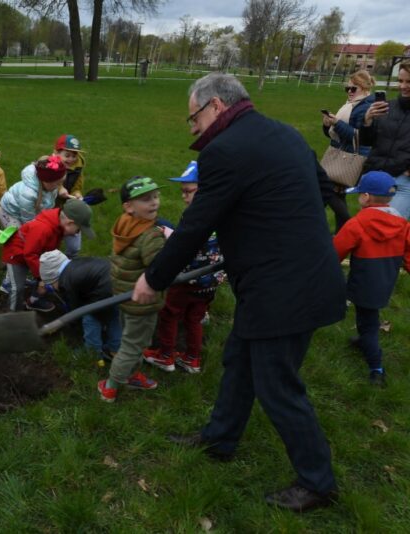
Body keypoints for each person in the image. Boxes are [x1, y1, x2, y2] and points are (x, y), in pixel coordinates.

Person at [132, 73, 346, 511]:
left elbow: (197, 224)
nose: (192, 128)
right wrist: (277, 228)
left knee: (278, 385)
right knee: (239, 361)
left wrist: (153, 279)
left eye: (193, 118)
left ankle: (318, 483)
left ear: (214, 106)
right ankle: (220, 439)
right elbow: (324, 191)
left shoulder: (224, 150)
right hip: (289, 275)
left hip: (285, 288)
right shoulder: (283, 132)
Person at [142, 161, 224, 374]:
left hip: (188, 280)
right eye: (182, 192)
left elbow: (186, 246)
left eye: (189, 192)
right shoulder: (222, 211)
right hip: (211, 282)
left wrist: (171, 237)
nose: (184, 197)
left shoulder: (195, 215)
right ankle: (192, 358)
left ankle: (165, 355)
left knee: (169, 313)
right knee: (194, 318)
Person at [333, 171, 410, 387]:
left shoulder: (356, 224)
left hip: (363, 283)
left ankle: (376, 368)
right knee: (370, 314)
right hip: (386, 282)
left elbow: (336, 252)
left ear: (366, 197)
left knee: (366, 321)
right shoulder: (403, 224)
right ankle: (364, 340)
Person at [97, 177, 165, 402]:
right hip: (143, 301)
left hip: (124, 295)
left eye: (155, 196)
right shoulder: (151, 235)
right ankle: (111, 385)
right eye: (146, 199)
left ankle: (132, 374)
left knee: (131, 339)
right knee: (133, 345)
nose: (154, 203)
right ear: (129, 206)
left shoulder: (125, 223)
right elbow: (160, 269)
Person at [1, 199, 94, 312]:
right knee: (18, 288)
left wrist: (45, 275)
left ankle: (33, 301)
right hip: (17, 254)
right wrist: (42, 277)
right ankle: (13, 313)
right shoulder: (42, 228)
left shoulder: (58, 223)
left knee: (46, 275)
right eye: (78, 229)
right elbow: (30, 254)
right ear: (69, 223)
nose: (77, 233)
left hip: (36, 252)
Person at [39, 250, 121, 363]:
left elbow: (76, 309)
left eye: (52, 285)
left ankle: (92, 352)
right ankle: (115, 348)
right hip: (117, 281)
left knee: (90, 317)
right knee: (113, 315)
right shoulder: (75, 265)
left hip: (104, 289)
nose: (54, 288)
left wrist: (71, 323)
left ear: (54, 277)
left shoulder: (66, 281)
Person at [321, 70, 376, 232]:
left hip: (350, 158)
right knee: (335, 194)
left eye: (353, 88)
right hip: (340, 154)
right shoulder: (350, 105)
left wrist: (337, 123)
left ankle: (350, 226)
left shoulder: (366, 107)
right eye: (348, 88)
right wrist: (327, 125)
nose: (349, 92)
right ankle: (342, 234)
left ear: (365, 88)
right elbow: (335, 137)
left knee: (324, 188)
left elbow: (358, 137)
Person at [361, 60, 410, 219]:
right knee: (368, 230)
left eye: (409, 82)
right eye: (400, 81)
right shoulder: (387, 106)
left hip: (402, 182)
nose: (403, 86)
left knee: (389, 229)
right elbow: (367, 141)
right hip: (375, 177)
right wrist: (367, 121)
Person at [0, 154, 69, 229]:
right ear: (46, 181)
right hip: (10, 212)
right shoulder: (28, 194)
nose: (60, 186)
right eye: (58, 183)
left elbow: (48, 208)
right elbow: (28, 220)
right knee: (19, 236)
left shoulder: (52, 188)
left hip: (27, 212)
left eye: (62, 182)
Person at [54, 134, 88, 258]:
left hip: (67, 206)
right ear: (56, 153)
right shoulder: (49, 165)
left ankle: (69, 259)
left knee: (74, 245)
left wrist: (77, 194)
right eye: (67, 155)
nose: (71, 159)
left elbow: (77, 186)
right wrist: (58, 187)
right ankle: (50, 258)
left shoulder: (78, 167)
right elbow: (43, 184)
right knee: (52, 238)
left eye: (74, 156)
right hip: (49, 207)